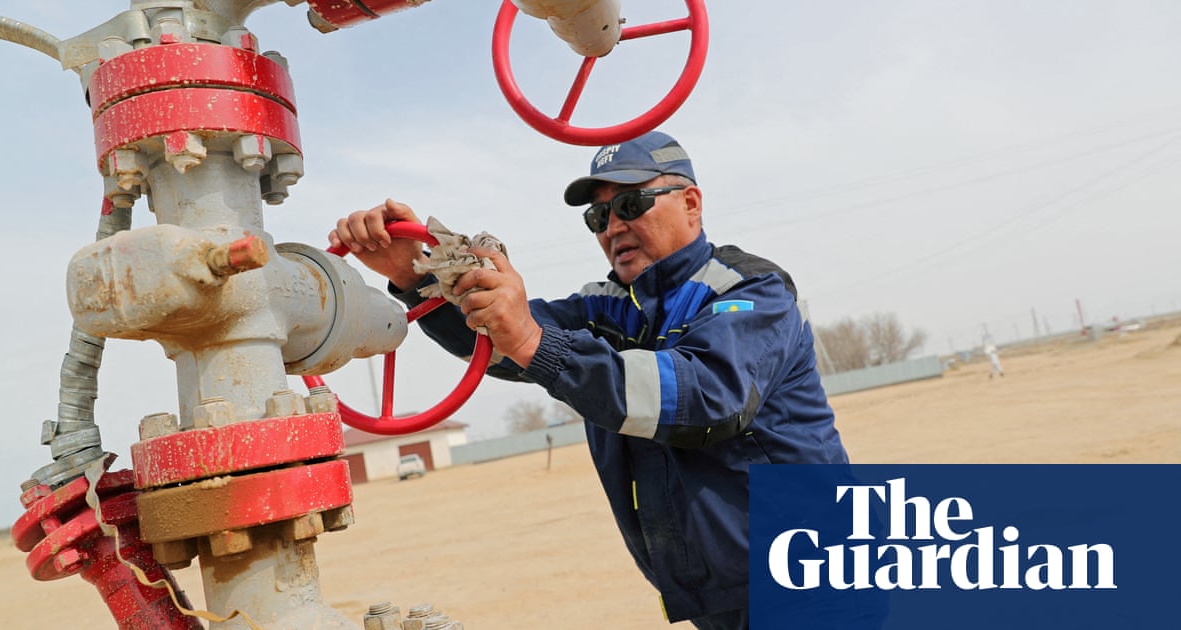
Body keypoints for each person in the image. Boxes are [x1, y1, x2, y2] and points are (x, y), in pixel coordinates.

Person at [330, 131, 851, 629]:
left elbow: (706, 397)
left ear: (691, 204)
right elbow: (499, 343)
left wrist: (536, 341)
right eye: (598, 216)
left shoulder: (749, 290)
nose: (612, 227)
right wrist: (415, 275)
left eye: (630, 204)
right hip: (724, 593)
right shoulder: (605, 307)